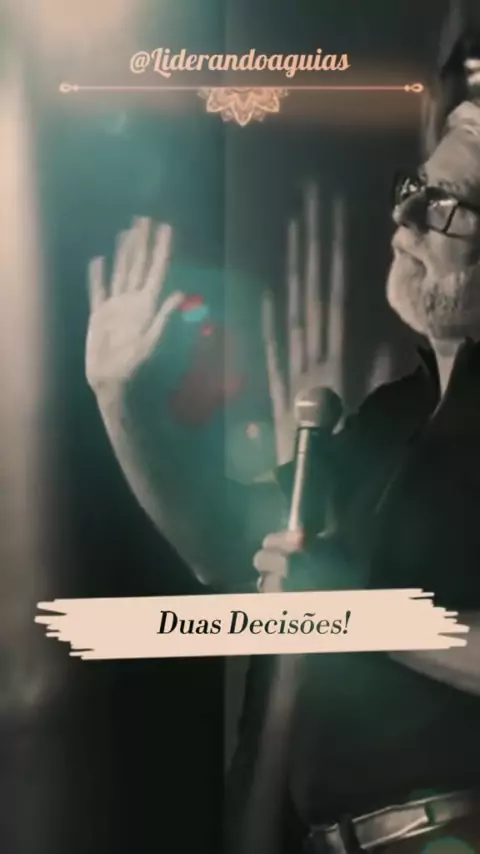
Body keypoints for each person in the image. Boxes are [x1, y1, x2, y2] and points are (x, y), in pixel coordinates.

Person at [85, 71, 480, 854]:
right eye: (414, 189)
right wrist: (119, 397)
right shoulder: (387, 418)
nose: (404, 218)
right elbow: (226, 544)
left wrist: (351, 612)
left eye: (445, 205)